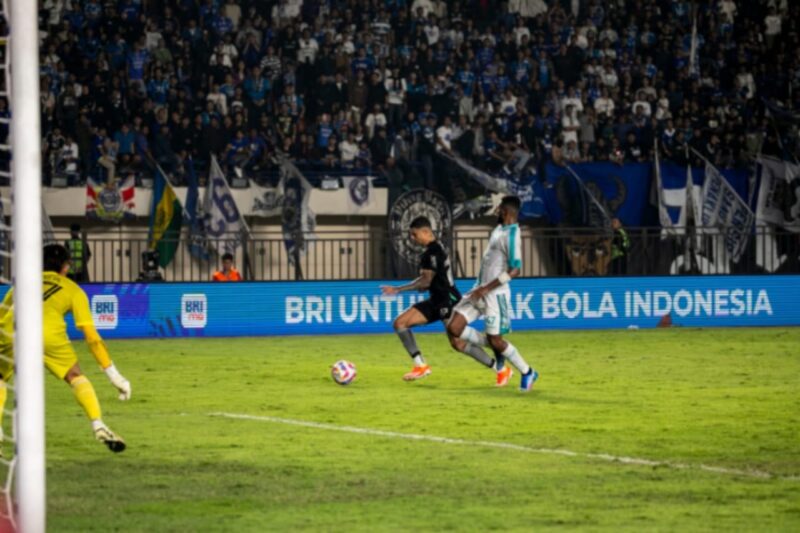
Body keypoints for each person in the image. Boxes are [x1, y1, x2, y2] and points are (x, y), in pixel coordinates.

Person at [0, 244, 131, 452]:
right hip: (48, 335)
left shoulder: (21, 284)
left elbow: (1, 314)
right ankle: (98, 424)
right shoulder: (73, 289)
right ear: (66, 267)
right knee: (75, 376)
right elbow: (92, 337)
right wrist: (114, 376)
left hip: (10, 331)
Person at [380, 217, 497, 381]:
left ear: (426, 231)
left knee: (459, 343)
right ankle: (421, 366)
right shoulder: (436, 248)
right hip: (437, 300)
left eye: (414, 234)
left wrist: (399, 289)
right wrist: (423, 284)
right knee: (400, 323)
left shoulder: (432, 252)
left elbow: (426, 281)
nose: (413, 239)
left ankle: (499, 356)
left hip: (447, 302)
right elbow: (428, 280)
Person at [447, 196, 539, 392]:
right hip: (479, 289)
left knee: (496, 340)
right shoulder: (499, 229)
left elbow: (515, 270)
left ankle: (527, 371)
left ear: (506, 211)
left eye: (499, 208)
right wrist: (480, 288)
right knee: (454, 327)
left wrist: (486, 289)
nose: (496, 210)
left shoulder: (513, 234)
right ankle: (497, 348)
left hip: (495, 295)